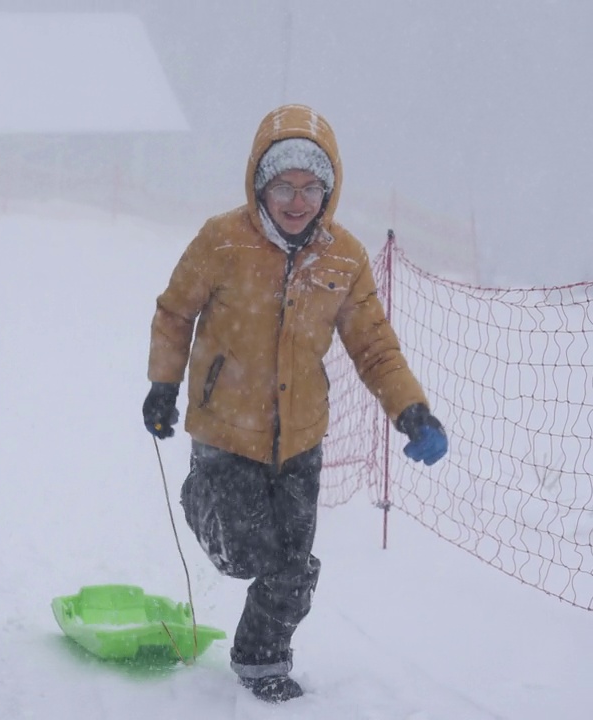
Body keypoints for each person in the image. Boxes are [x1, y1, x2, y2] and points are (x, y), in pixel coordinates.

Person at [142, 104, 448, 703]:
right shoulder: (221, 240)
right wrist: (163, 386)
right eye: (284, 184)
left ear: (328, 191)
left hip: (301, 436)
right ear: (260, 183)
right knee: (242, 555)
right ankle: (200, 495)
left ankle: (261, 662)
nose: (297, 200)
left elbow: (374, 346)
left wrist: (412, 411)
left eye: (312, 187)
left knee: (292, 567)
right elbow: (174, 312)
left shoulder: (344, 258)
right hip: (226, 431)